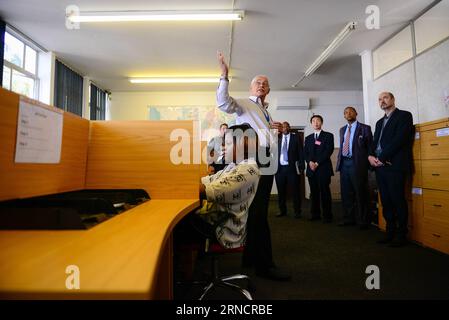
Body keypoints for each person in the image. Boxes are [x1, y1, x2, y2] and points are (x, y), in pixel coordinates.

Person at [216, 52, 291, 281]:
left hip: (265, 159)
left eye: (265, 83)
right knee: (259, 214)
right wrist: (224, 75)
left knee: (255, 212)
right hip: (254, 160)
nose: (262, 85)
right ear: (251, 88)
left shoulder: (266, 112)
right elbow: (223, 102)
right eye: (258, 82)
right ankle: (264, 266)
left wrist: (275, 132)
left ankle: (249, 260)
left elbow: (264, 137)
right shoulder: (245, 105)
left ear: (268, 90)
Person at [198, 124, 261, 249]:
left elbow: (206, 190)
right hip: (214, 220)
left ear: (243, 145)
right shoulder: (234, 166)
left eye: (227, 143)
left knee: (175, 228)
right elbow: (206, 181)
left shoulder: (247, 170)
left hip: (223, 231)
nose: (223, 147)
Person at [369, 92, 414, 247]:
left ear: (393, 99)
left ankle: (402, 235)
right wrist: (370, 156)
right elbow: (375, 142)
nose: (382, 101)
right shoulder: (379, 122)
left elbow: (399, 140)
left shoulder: (404, 116)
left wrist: (381, 158)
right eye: (380, 99)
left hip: (395, 166)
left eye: (385, 98)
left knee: (397, 200)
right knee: (386, 201)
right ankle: (390, 232)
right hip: (380, 167)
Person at [336, 107, 373, 229]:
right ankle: (348, 218)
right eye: (346, 112)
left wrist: (369, 164)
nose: (348, 113)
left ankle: (363, 220)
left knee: (360, 192)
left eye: (351, 111)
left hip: (357, 164)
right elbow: (342, 147)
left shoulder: (365, 128)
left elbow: (370, 148)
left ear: (356, 113)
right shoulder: (342, 130)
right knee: (346, 193)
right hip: (344, 164)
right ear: (344, 116)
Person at [304, 115, 334, 223]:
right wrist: (310, 162)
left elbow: (328, 151)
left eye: (318, 121)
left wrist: (317, 163)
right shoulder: (308, 138)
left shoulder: (328, 136)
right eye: (313, 121)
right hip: (311, 170)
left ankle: (327, 216)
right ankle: (315, 214)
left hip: (323, 169)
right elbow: (305, 153)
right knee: (314, 192)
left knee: (325, 192)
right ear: (311, 123)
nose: (316, 123)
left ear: (321, 122)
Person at [275, 121, 305, 219]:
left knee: (295, 191)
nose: (285, 128)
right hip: (279, 170)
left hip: (292, 169)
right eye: (283, 127)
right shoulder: (277, 138)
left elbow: (301, 152)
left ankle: (297, 212)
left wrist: (301, 167)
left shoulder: (295, 137)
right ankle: (282, 211)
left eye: (286, 126)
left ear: (289, 128)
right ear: (281, 129)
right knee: (281, 191)